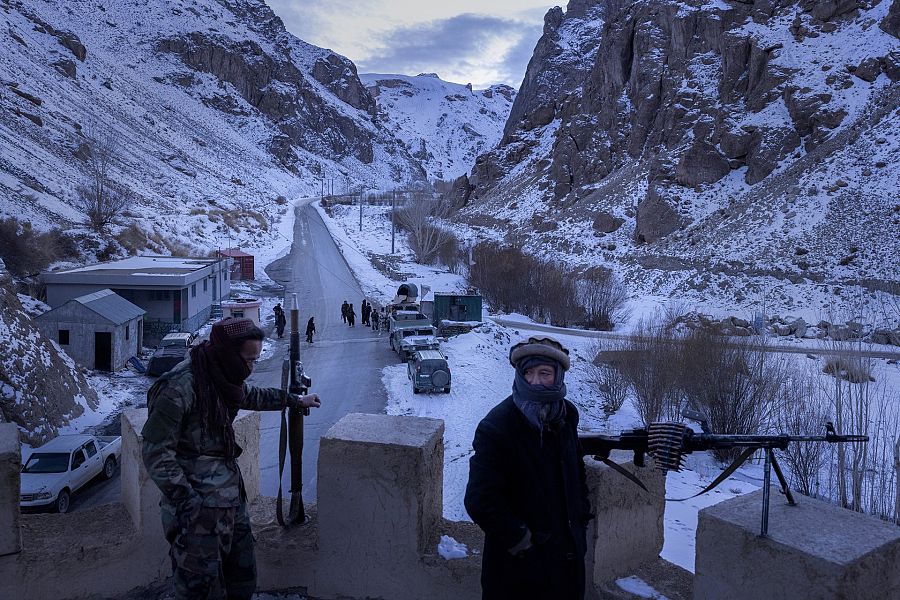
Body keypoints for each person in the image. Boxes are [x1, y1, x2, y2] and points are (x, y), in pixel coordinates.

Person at [141, 317, 321, 599]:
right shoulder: (180, 387)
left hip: (230, 505)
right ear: (228, 353)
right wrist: (188, 501)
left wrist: (294, 401)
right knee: (198, 589)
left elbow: (251, 396)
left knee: (242, 580)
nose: (250, 368)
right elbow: (155, 452)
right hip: (197, 516)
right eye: (247, 360)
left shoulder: (222, 377)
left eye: (255, 361)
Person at [464, 336, 591, 600]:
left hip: (567, 566)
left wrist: (579, 523)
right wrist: (522, 542)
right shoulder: (497, 426)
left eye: (544, 373)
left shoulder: (567, 416)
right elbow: (480, 499)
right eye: (528, 373)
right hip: (517, 573)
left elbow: (576, 473)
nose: (534, 381)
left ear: (558, 377)